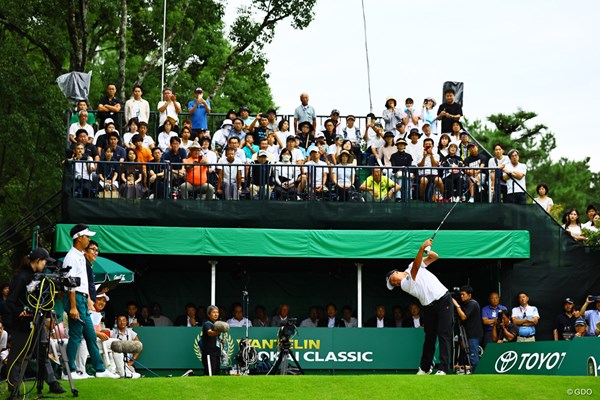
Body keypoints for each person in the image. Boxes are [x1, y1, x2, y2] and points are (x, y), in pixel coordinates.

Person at [386, 238, 452, 375]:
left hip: (443, 299)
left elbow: (434, 257)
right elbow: (416, 269)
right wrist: (422, 248)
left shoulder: (411, 265)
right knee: (429, 337)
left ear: (396, 272)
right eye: (393, 284)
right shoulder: (405, 285)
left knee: (444, 334)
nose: (395, 283)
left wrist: (428, 250)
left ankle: (443, 369)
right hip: (428, 307)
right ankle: (425, 368)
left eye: (393, 280)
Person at [6, 248, 66, 396]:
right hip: (23, 325)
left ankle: (52, 382)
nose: (46, 264)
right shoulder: (21, 278)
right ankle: (14, 390)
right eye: (44, 261)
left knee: (43, 354)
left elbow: (44, 300)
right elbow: (10, 301)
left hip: (37, 321)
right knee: (18, 358)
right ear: (38, 260)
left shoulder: (39, 277)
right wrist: (20, 311)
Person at [63, 224, 119, 378]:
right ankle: (69, 371)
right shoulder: (72, 257)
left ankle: (100, 370)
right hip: (76, 300)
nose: (89, 239)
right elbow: (70, 284)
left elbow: (82, 284)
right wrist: (74, 307)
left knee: (91, 336)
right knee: (75, 335)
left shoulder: (80, 256)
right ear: (79, 238)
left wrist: (88, 300)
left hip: (82, 300)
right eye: (87, 236)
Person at [452, 286, 483, 372]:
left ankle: (476, 373)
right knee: (468, 355)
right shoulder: (466, 304)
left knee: (473, 355)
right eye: (460, 294)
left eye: (463, 294)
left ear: (469, 295)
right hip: (467, 334)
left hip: (473, 334)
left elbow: (463, 317)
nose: (461, 296)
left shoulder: (472, 304)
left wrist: (457, 305)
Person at [111, 313, 142, 378]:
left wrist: (133, 360)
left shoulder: (131, 332)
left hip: (127, 363)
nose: (122, 322)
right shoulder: (113, 333)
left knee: (131, 374)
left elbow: (139, 346)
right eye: (120, 320)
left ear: (127, 321)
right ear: (117, 322)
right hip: (115, 363)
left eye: (124, 320)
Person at [201, 305, 223, 375]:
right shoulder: (207, 324)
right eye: (213, 312)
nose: (216, 314)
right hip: (209, 353)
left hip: (217, 352)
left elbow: (216, 337)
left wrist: (221, 340)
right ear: (208, 314)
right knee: (210, 374)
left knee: (216, 373)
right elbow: (210, 333)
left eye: (217, 312)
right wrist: (218, 332)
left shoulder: (216, 324)